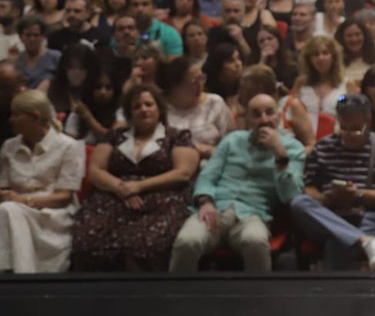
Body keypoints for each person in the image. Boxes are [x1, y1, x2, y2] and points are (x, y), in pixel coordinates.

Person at [168, 93, 306, 272]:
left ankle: (260, 292)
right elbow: (208, 175)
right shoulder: (232, 140)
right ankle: (177, 291)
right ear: (247, 120)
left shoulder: (294, 148)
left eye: (269, 112)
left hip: (253, 214)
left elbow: (291, 196)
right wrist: (205, 201)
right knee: (187, 241)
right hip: (215, 209)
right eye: (256, 114)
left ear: (278, 116)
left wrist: (280, 154)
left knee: (255, 241)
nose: (264, 120)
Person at [71, 84, 200, 271]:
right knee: (87, 241)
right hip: (113, 196)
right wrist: (121, 187)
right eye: (137, 106)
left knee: (146, 246)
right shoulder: (114, 136)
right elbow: (95, 170)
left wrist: (139, 186)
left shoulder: (177, 136)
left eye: (149, 104)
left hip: (162, 199)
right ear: (129, 113)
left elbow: (183, 173)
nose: (143, 110)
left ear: (159, 108)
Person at [292, 93, 375, 270]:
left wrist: (358, 194)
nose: (349, 134)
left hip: (365, 214)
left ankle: (353, 243)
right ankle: (365, 241)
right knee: (299, 202)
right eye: (343, 128)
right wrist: (326, 198)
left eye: (356, 129)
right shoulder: (323, 147)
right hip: (328, 214)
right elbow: (309, 188)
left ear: (368, 121)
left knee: (337, 243)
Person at [0, 90, 86, 273]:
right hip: (13, 212)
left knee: (8, 210)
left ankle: (19, 275)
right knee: (7, 211)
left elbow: (63, 197)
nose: (11, 120)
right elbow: (4, 188)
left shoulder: (69, 146)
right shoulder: (9, 147)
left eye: (16, 115)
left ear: (35, 116)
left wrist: (23, 200)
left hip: (52, 216)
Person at [158, 56, 233, 160]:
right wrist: (196, 148)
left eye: (201, 78)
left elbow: (231, 141)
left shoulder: (215, 102)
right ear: (176, 85)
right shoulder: (161, 106)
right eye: (194, 81)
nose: (200, 84)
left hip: (212, 161)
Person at [295, 35, 347, 121]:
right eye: (316, 54)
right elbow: (293, 113)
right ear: (309, 59)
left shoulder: (347, 84)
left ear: (333, 57)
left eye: (325, 53)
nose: (321, 58)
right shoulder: (301, 83)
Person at [14, 16, 60, 92]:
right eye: (28, 35)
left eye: (36, 35)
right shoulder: (16, 60)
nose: (32, 39)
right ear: (20, 37)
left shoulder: (56, 57)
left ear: (43, 36)